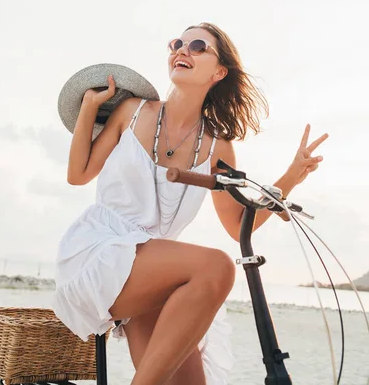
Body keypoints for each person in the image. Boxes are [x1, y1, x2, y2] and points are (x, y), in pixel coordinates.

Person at [52, 22, 328, 385]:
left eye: (197, 46)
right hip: (100, 252)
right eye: (177, 43)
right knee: (217, 267)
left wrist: (290, 176)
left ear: (219, 71)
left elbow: (237, 225)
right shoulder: (132, 111)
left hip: (154, 271)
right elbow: (79, 174)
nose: (182, 50)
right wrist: (89, 105)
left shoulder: (218, 146)